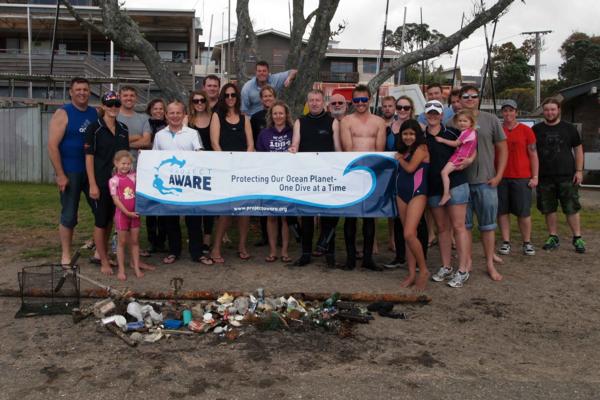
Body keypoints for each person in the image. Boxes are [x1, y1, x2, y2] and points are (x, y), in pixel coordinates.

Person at [457, 85, 507, 284]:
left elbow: (503, 149)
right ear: (460, 99)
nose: (469, 99)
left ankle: (489, 263)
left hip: (487, 181)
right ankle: (467, 261)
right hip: (461, 183)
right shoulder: (455, 121)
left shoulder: (491, 119)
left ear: (479, 98)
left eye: (473, 96)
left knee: (488, 226)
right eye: (465, 96)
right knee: (465, 226)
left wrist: (499, 175)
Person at [152, 101, 212, 266]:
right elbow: (155, 159)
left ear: (183, 114)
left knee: (193, 220)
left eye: (178, 113)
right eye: (171, 113)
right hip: (169, 185)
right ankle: (174, 251)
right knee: (171, 220)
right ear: (166, 115)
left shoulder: (192, 133)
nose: (175, 116)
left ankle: (197, 253)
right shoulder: (159, 135)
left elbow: (199, 153)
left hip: (190, 184)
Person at [48, 77, 98, 266]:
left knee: (101, 211)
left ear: (89, 91)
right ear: (71, 91)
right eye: (78, 89)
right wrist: (60, 174)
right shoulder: (63, 113)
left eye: (85, 89)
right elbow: (52, 146)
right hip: (70, 171)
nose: (82, 93)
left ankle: (99, 251)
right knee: (69, 214)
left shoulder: (95, 113)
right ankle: (66, 254)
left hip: (91, 171)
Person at [289, 89, 341, 268]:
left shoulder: (332, 122)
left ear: (323, 102)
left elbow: (338, 149)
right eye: (311, 100)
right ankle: (305, 253)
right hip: (306, 176)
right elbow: (295, 143)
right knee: (307, 216)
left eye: (317, 100)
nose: (314, 103)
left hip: (327, 176)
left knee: (329, 214)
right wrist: (293, 149)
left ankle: (330, 253)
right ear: (307, 102)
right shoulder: (300, 121)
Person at [424, 101, 473, 288]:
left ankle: (463, 269)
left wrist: (469, 160)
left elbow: (471, 147)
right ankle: (446, 266)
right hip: (434, 188)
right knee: (442, 228)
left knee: (459, 227)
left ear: (442, 115)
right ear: (426, 114)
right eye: (430, 113)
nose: (433, 116)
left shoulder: (453, 133)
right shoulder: (422, 136)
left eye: (436, 113)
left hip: (457, 185)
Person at [339, 84, 386, 271]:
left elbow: (379, 150)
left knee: (369, 217)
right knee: (350, 217)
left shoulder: (379, 122)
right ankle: (350, 258)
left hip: (372, 172)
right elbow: (347, 148)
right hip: (353, 172)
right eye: (356, 100)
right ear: (352, 101)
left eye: (363, 100)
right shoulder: (347, 121)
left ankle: (367, 258)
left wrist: (372, 170)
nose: (360, 103)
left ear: (370, 100)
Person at [84, 90, 130, 275]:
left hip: (118, 183)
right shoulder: (94, 128)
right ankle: (102, 260)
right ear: (103, 106)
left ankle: (102, 254)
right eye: (109, 105)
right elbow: (88, 157)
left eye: (116, 105)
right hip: (100, 181)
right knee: (100, 221)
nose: (113, 108)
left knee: (111, 219)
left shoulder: (123, 129)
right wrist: (92, 184)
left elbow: (125, 157)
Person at [210, 83, 255, 264]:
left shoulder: (245, 118)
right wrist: (226, 165)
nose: (230, 98)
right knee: (225, 211)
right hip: (225, 170)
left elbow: (250, 144)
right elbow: (214, 143)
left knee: (244, 211)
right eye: (227, 95)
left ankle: (242, 246)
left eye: (233, 95)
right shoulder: (217, 116)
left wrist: (244, 164)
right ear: (223, 97)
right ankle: (216, 248)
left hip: (243, 170)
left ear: (237, 97)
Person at [533, 97, 585, 253]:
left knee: (571, 208)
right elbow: (531, 152)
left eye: (552, 109)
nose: (549, 112)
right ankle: (553, 236)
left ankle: (577, 238)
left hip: (567, 176)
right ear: (544, 111)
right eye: (547, 110)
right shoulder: (536, 130)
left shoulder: (569, 129)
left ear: (559, 110)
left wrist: (579, 170)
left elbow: (578, 150)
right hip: (545, 176)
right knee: (549, 209)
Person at [497, 99, 539, 256]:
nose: (508, 113)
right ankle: (506, 242)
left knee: (523, 212)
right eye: (505, 110)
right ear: (502, 112)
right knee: (502, 212)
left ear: (516, 112)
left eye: (511, 110)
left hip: (521, 176)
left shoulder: (526, 130)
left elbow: (533, 154)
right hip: (501, 176)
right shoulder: (499, 129)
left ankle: (527, 242)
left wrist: (535, 176)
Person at [395, 120, 430, 291]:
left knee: (409, 233)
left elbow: (410, 169)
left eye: (411, 134)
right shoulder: (404, 150)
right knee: (408, 235)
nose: (408, 137)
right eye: (405, 134)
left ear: (417, 135)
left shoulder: (421, 148)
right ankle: (411, 274)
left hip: (417, 193)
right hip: (401, 193)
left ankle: (423, 270)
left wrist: (400, 159)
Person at [256, 100, 294, 263]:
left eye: (281, 113)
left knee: (285, 217)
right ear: (271, 115)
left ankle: (284, 251)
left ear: (286, 115)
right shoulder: (264, 134)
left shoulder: (293, 132)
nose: (278, 116)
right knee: (271, 216)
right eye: (275, 113)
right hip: (270, 180)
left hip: (288, 180)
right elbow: (259, 157)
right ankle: (272, 251)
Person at [109, 150, 155, 281]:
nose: (125, 166)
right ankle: (121, 269)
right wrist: (127, 212)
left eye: (128, 164)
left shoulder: (134, 176)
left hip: (135, 214)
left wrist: (142, 156)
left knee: (135, 242)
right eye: (123, 163)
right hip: (122, 215)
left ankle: (136, 266)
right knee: (121, 242)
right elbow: (116, 199)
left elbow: (145, 171)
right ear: (116, 163)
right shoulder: (113, 180)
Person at [188, 90, 215, 255]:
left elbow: (214, 141)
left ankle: (207, 238)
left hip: (210, 165)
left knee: (209, 205)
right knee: (194, 204)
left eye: (202, 100)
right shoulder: (187, 120)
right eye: (195, 101)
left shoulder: (214, 118)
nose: (199, 103)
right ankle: (195, 237)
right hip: (192, 168)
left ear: (206, 102)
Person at [250, 85, 277, 248]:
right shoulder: (255, 118)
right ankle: (265, 236)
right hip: (262, 165)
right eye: (265, 96)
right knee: (263, 201)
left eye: (270, 96)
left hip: (279, 166)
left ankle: (280, 236)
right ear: (261, 99)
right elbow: (252, 140)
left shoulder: (281, 114)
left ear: (275, 97)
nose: (267, 98)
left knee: (279, 201)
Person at [437, 109, 478, 206]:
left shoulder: (466, 133)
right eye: (460, 121)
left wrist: (442, 140)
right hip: (461, 155)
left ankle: (446, 194)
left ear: (471, 122)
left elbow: (456, 143)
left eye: (465, 121)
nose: (462, 123)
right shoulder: (472, 132)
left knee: (444, 172)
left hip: (459, 156)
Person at [142, 98, 168, 254]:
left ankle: (162, 241)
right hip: (150, 168)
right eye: (155, 108)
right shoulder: (146, 123)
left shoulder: (168, 124)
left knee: (163, 207)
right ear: (150, 110)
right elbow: (145, 142)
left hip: (165, 170)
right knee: (151, 208)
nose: (158, 111)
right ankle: (152, 241)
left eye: (160, 108)